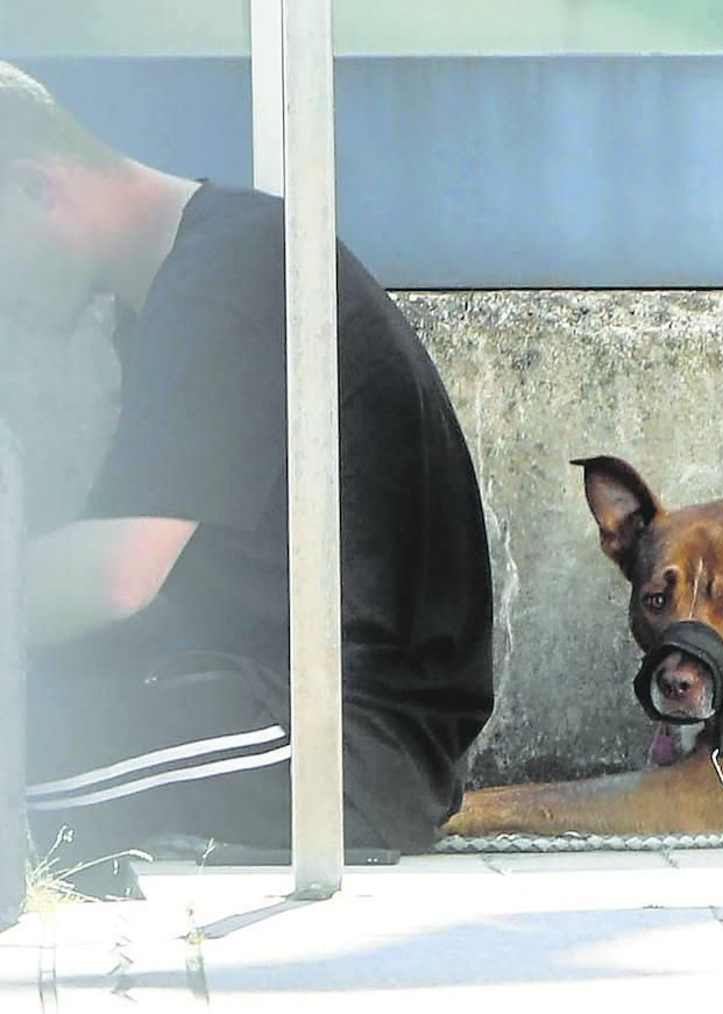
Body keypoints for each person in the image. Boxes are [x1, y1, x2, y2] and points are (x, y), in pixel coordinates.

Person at [0, 62, 494, 891]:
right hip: (256, 691)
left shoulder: (230, 278)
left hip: (340, 742)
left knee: (26, 774)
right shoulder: (187, 280)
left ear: (34, 187)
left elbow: (120, 575)